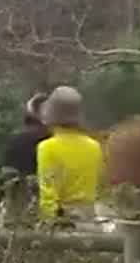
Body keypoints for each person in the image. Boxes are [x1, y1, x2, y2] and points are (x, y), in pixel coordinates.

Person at [34, 85, 102, 225]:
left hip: (62, 221)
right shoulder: (94, 147)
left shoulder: (47, 147)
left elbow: (48, 194)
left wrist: (49, 222)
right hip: (89, 220)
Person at [0, 94, 49, 224]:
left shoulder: (16, 142)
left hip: (17, 213)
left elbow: (2, 178)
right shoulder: (55, 141)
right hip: (51, 216)